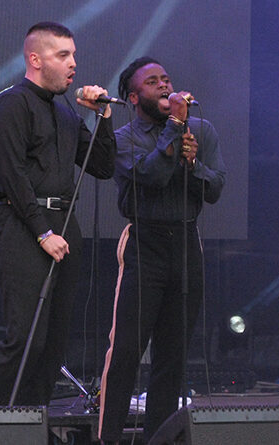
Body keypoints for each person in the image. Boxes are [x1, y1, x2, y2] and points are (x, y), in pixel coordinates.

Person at [0, 22, 116, 406]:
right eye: (63, 55)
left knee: (54, 341)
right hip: (20, 225)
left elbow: (102, 164)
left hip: (63, 224)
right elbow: (13, 175)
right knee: (26, 336)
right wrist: (41, 233)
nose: (73, 64)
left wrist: (103, 117)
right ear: (35, 59)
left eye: (74, 56)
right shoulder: (10, 104)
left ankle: (32, 419)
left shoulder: (66, 113)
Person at [97, 57, 226, 444]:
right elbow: (147, 178)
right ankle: (108, 438)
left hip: (186, 243)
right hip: (145, 243)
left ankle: (160, 438)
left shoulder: (201, 130)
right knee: (126, 353)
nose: (164, 86)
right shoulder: (123, 138)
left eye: (166, 79)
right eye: (153, 82)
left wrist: (192, 164)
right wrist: (173, 131)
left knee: (172, 357)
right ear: (135, 97)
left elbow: (216, 187)